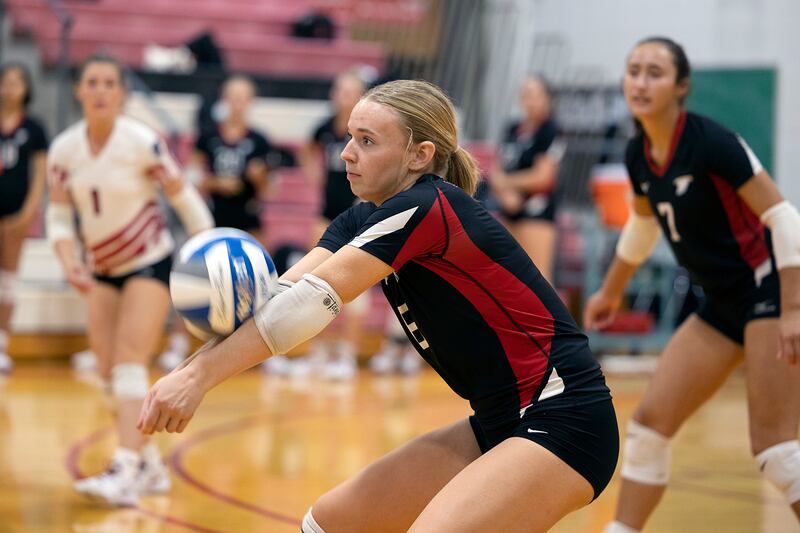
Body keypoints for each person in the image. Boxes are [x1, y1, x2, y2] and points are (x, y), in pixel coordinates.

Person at [139, 79, 619, 532]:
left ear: (419, 155)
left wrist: (198, 380)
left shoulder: (429, 206)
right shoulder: (361, 218)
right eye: (350, 136)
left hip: (565, 418)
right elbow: (280, 299)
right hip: (498, 421)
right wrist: (187, 372)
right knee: (330, 523)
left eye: (367, 141)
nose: (346, 153)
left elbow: (309, 305)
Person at [584, 37, 800, 533]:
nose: (640, 81)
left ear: (681, 86)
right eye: (633, 70)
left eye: (654, 72)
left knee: (777, 452)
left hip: (768, 293)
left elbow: (784, 217)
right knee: (649, 428)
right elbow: (642, 226)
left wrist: (793, 309)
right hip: (721, 304)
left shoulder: (711, 142)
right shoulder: (638, 151)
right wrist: (612, 291)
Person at [46, 55, 213, 506]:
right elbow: (59, 216)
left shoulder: (142, 142)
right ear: (79, 91)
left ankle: (124, 466)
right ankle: (150, 463)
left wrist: (210, 247)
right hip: (101, 268)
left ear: (121, 93)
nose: (100, 90)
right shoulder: (64, 150)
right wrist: (67, 260)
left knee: (127, 359)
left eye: (109, 83)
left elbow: (184, 198)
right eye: (91, 82)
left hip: (149, 262)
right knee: (105, 371)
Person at [296, 70, 369, 380]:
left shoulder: (368, 132)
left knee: (356, 287)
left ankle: (348, 355)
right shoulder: (325, 128)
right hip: (326, 214)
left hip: (360, 214)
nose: (344, 97)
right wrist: (314, 173)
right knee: (317, 282)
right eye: (340, 90)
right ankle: (318, 352)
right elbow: (305, 149)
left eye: (351, 91)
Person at [489, 75, 565, 282]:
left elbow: (543, 176)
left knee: (539, 279)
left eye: (533, 94)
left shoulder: (550, 130)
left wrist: (508, 184)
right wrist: (504, 193)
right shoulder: (513, 129)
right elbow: (497, 169)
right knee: (507, 277)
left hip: (536, 211)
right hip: (509, 209)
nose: (527, 99)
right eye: (524, 94)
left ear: (546, 98)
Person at [0, 63, 48, 374]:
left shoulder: (34, 128)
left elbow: (40, 176)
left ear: (27, 89)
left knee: (7, 280)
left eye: (17, 82)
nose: (10, 87)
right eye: (5, 81)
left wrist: (28, 213)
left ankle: (2, 342)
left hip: (15, 215)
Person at [192, 74, 271, 242]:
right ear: (224, 100)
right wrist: (215, 183)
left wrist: (259, 178)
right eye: (233, 98)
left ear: (251, 101)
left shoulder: (260, 141)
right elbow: (191, 177)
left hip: (248, 218)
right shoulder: (207, 136)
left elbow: (269, 190)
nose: (237, 104)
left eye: (242, 99)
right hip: (212, 216)